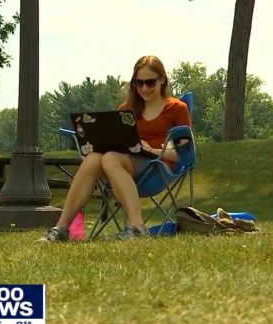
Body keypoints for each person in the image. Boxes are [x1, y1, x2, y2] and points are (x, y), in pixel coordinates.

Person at [37, 55, 191, 242]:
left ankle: (136, 227)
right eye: (138, 83)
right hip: (121, 165)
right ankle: (61, 228)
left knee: (110, 158)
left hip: (158, 168)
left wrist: (154, 150)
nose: (144, 88)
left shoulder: (177, 108)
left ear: (163, 80)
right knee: (94, 158)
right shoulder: (127, 109)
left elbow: (184, 154)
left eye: (150, 82)